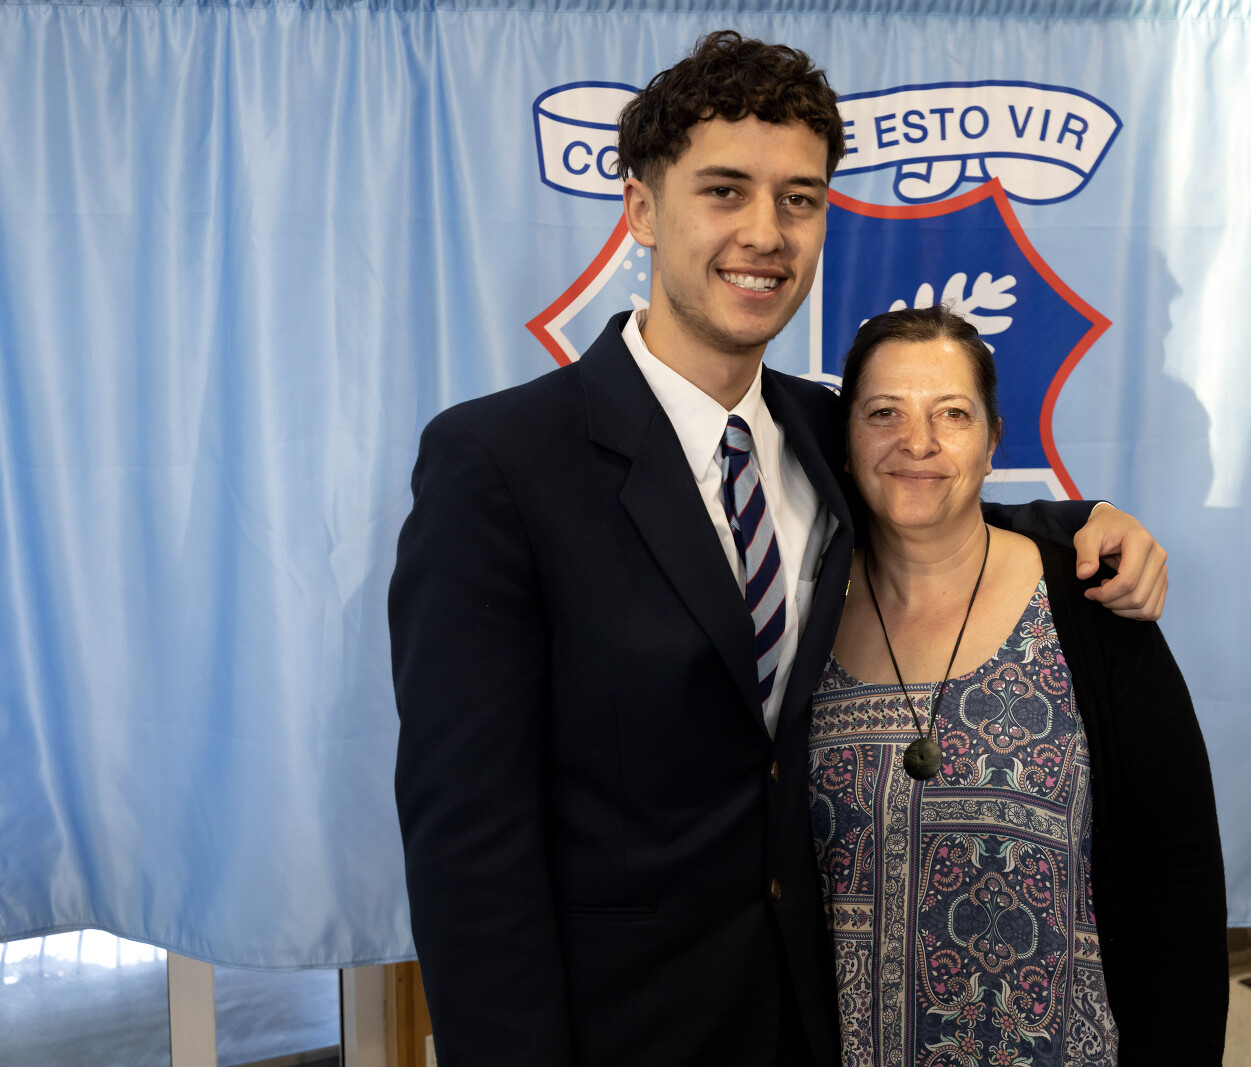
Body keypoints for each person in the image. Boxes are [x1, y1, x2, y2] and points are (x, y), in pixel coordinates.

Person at [389, 32, 1172, 1067]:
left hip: (814, 1020)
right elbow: (467, 841)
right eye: (725, 190)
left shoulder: (821, 428)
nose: (765, 232)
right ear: (641, 208)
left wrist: (1082, 521)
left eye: (798, 199)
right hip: (621, 1031)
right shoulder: (497, 462)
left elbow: (935, 500)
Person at [810, 306, 1227, 1065]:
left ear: (993, 440)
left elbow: (1181, 872)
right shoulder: (801, 619)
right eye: (884, 413)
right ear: (845, 440)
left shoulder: (1090, 607)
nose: (918, 441)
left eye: (952, 414)